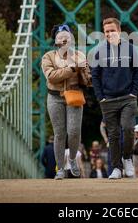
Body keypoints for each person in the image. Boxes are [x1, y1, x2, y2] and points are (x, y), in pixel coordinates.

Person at [91, 17, 138, 180]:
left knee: (127, 129)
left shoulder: (130, 49)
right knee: (113, 135)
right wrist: (101, 98)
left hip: (128, 98)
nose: (109, 33)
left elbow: (137, 72)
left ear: (119, 31)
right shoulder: (99, 51)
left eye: (112, 30)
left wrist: (134, 93)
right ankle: (116, 168)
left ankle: (127, 158)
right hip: (108, 100)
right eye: (106, 31)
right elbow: (95, 76)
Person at [41, 24, 92, 180]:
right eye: (60, 37)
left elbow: (88, 81)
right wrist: (71, 69)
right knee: (60, 133)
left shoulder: (80, 55)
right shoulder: (48, 57)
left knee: (75, 131)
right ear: (55, 41)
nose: (64, 40)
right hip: (55, 97)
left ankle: (72, 160)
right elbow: (51, 76)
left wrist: (86, 71)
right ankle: (60, 169)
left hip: (75, 94)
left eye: (67, 37)